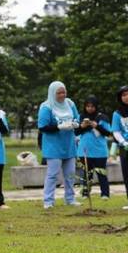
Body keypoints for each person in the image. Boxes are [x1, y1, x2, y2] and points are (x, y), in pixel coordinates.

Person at [38, 81, 81, 209]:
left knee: (70, 174)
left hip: (69, 144)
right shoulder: (46, 107)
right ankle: (48, 201)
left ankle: (70, 198)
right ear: (52, 93)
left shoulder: (70, 103)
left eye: (64, 92)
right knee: (53, 174)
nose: (62, 95)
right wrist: (59, 127)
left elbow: (77, 118)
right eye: (59, 93)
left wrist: (74, 124)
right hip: (53, 146)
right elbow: (42, 127)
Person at [76, 95, 112, 199]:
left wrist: (96, 126)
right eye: (87, 106)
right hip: (85, 150)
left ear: (96, 106)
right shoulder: (80, 117)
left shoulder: (102, 118)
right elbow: (76, 132)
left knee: (101, 173)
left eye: (92, 106)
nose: (90, 108)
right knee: (87, 174)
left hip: (99, 151)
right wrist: (82, 126)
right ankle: (85, 193)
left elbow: (107, 133)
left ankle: (105, 194)